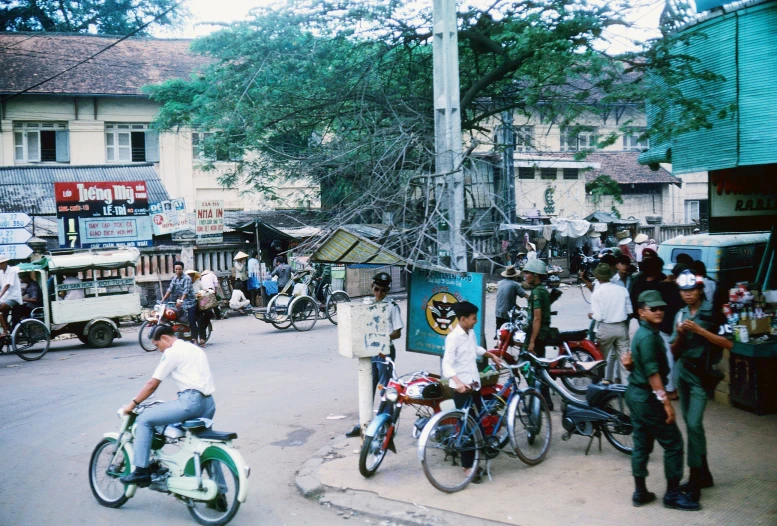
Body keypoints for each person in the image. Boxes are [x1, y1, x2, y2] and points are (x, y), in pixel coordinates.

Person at [623, 290, 699, 511]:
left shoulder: (647, 333)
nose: (659, 312)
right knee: (674, 444)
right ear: (641, 312)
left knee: (642, 444)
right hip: (646, 397)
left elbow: (639, 364)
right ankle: (672, 494)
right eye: (653, 309)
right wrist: (666, 403)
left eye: (661, 308)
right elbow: (653, 373)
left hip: (637, 396)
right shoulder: (647, 337)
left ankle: (640, 492)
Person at [119, 325, 216, 487]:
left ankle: (141, 471)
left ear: (165, 338)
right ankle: (220, 494)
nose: (159, 350)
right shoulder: (193, 348)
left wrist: (132, 404)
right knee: (205, 447)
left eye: (157, 345)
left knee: (144, 419)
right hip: (208, 403)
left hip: (191, 403)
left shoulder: (172, 352)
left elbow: (152, 384)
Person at [670, 270, 732, 504]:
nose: (687, 295)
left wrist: (700, 331)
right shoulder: (680, 314)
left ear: (700, 290)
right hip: (683, 372)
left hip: (701, 374)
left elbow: (728, 343)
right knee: (691, 425)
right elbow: (673, 352)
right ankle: (704, 474)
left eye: (691, 290)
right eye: (683, 291)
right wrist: (680, 337)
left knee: (694, 424)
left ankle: (695, 477)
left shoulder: (714, 313)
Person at [442, 301, 505, 481]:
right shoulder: (453, 337)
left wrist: (490, 354)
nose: (475, 321)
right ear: (462, 319)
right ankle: (468, 467)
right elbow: (447, 364)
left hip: (474, 385)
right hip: (462, 389)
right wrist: (457, 382)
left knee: (478, 421)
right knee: (467, 428)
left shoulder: (469, 333)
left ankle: (481, 451)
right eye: (473, 318)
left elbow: (474, 350)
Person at [345, 272, 404, 438]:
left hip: (385, 352)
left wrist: (382, 337)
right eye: (377, 289)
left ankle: (385, 423)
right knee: (367, 387)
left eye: (383, 290)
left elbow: (397, 332)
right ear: (372, 287)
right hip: (370, 352)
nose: (379, 293)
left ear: (388, 290)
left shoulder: (392, 306)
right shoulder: (367, 304)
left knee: (386, 388)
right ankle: (363, 422)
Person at [590, 263, 632, 383]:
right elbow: (629, 311)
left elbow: (598, 316)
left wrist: (591, 315)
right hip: (621, 327)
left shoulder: (597, 293)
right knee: (624, 361)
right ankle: (626, 388)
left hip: (605, 328)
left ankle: (600, 385)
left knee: (600, 360)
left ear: (597, 278)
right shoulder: (622, 290)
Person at [522, 259, 553, 408]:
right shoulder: (540, 290)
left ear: (536, 275)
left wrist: (532, 341)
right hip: (541, 333)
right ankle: (544, 400)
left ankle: (536, 401)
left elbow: (537, 318)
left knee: (527, 365)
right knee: (539, 366)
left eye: (528, 273)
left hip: (537, 335)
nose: (525, 275)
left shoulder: (537, 293)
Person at [161, 261, 197, 344]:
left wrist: (181, 300)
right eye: (176, 269)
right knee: (173, 317)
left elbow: (186, 291)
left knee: (192, 321)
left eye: (179, 269)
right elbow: (169, 289)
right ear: (174, 269)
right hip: (180, 302)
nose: (178, 271)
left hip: (190, 302)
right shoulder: (175, 278)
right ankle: (179, 334)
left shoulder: (187, 278)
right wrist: (163, 299)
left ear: (182, 269)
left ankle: (194, 338)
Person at [187, 269, 213, 348]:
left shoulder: (198, 283)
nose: (191, 278)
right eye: (189, 276)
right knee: (195, 320)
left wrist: (205, 291)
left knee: (208, 314)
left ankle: (202, 338)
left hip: (200, 304)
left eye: (192, 276)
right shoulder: (186, 284)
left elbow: (204, 290)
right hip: (190, 305)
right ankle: (198, 338)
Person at [0, 256, 22, 337]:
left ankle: (5, 331)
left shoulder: (12, 271)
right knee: (3, 316)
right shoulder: (1, 273)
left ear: (4, 263)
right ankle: (9, 330)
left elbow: (7, 285)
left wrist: (0, 295)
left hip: (13, 297)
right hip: (5, 297)